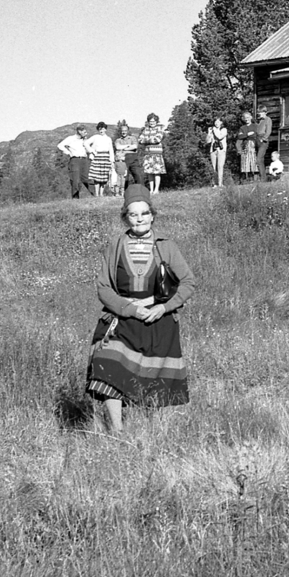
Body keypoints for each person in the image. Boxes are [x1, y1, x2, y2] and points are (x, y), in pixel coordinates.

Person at [86, 185, 196, 433]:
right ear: (125, 217)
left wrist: (163, 307)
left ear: (152, 215)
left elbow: (188, 283)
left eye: (144, 213)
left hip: (159, 321)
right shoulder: (114, 246)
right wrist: (129, 309)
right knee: (107, 366)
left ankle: (152, 434)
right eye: (133, 214)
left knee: (153, 378)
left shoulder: (166, 247)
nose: (139, 219)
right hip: (121, 320)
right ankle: (117, 431)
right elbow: (103, 287)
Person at [57, 125, 91, 199]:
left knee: (87, 178)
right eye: (84, 132)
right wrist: (68, 152)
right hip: (75, 159)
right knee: (75, 179)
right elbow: (60, 145)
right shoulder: (71, 138)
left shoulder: (84, 140)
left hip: (84, 160)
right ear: (79, 131)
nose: (86, 133)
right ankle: (75, 197)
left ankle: (95, 194)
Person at [137, 113, 166, 194]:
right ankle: (151, 189)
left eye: (153, 121)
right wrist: (150, 139)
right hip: (148, 154)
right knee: (149, 173)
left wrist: (146, 140)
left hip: (157, 154)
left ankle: (156, 189)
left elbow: (157, 139)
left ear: (156, 121)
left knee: (157, 172)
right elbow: (140, 140)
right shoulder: (145, 130)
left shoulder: (159, 129)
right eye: (150, 121)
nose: (152, 123)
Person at [86, 122, 114, 197]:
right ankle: (97, 194)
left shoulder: (108, 139)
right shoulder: (95, 137)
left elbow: (111, 150)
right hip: (97, 157)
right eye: (100, 129)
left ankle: (101, 194)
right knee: (97, 177)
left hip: (106, 158)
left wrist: (112, 160)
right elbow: (86, 143)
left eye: (103, 129)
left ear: (105, 129)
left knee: (104, 177)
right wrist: (91, 151)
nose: (101, 131)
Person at [113, 122, 137, 193]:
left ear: (128, 131)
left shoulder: (132, 138)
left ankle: (137, 190)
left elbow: (135, 147)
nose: (124, 132)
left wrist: (123, 148)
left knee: (137, 175)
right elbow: (117, 147)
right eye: (122, 131)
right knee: (121, 177)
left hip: (132, 158)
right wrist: (128, 146)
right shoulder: (118, 140)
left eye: (125, 131)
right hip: (121, 160)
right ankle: (121, 192)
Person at [236, 111, 260, 182]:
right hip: (245, 145)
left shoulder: (256, 126)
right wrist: (247, 134)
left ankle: (255, 178)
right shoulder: (242, 127)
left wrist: (246, 135)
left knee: (254, 161)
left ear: (251, 117)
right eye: (245, 118)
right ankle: (247, 178)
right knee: (245, 162)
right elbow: (240, 136)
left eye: (248, 117)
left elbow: (256, 135)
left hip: (254, 145)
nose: (246, 119)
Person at [205, 117, 228, 187]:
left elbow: (219, 137)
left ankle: (220, 183)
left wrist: (214, 130)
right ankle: (215, 183)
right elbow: (207, 141)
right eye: (215, 122)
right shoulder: (212, 131)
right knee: (214, 167)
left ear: (221, 122)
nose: (216, 123)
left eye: (218, 121)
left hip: (221, 150)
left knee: (220, 166)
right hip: (213, 150)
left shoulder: (224, 130)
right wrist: (209, 133)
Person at [255, 106, 274, 172]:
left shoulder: (268, 119)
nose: (259, 114)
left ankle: (263, 178)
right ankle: (262, 177)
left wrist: (263, 138)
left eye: (260, 112)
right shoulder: (259, 120)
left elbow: (268, 131)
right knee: (259, 159)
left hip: (263, 141)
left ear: (265, 112)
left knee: (259, 158)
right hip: (257, 139)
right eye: (258, 112)